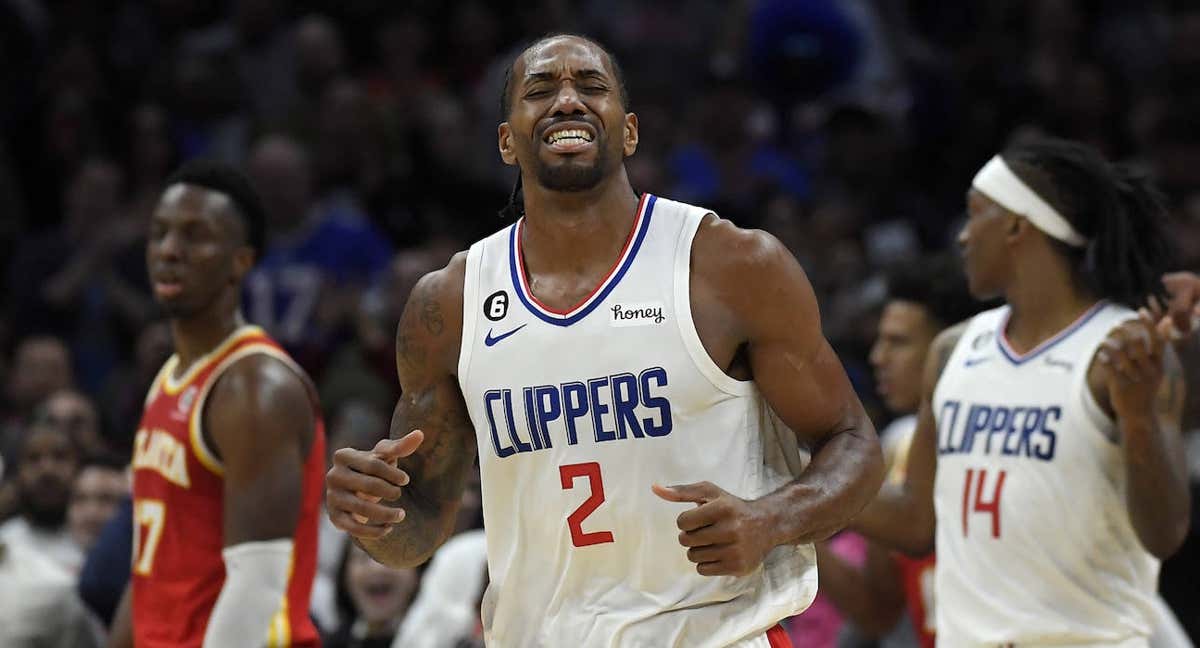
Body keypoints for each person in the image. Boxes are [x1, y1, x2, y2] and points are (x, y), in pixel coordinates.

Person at [326, 33, 883, 647]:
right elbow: (417, 529)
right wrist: (373, 516)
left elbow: (854, 442)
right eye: (540, 91)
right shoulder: (449, 303)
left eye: (591, 87)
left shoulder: (728, 266)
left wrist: (771, 520)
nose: (568, 101)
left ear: (629, 131)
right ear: (507, 140)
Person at [854, 137, 1190, 646]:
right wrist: (799, 478)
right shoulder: (953, 351)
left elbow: (1165, 534)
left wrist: (1139, 417)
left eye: (975, 214)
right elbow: (916, 522)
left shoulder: (1122, 352)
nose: (964, 237)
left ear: (1016, 224)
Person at [108, 160, 326, 648]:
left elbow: (257, 586)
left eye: (194, 236)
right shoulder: (169, 377)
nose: (169, 251)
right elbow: (150, 570)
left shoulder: (255, 389)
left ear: (240, 261)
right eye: (159, 233)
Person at [816, 255, 978, 648]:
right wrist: (787, 519)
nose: (878, 358)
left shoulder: (990, 437)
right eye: (879, 341)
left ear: (947, 348)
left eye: (898, 342)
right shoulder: (900, 445)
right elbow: (876, 610)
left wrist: (801, 495)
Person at [0, 421, 83, 572]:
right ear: (17, 473)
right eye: (33, 458)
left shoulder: (97, 543)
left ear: (79, 467)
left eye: (59, 457)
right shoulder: (4, 540)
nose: (47, 470)